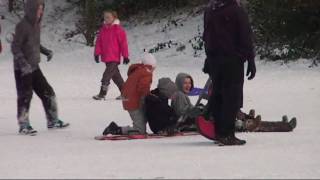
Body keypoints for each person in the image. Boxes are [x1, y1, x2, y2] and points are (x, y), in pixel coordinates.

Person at [11, 0, 69, 135]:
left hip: (34, 66)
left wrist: (46, 51)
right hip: (22, 69)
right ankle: (24, 125)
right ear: (31, 9)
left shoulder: (36, 25)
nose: (41, 12)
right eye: (38, 9)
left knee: (48, 92)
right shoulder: (22, 26)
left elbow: (34, 44)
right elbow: (15, 47)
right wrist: (23, 64)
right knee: (25, 96)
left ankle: (53, 120)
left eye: (42, 9)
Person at [203, 0, 256, 145]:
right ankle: (226, 134)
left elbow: (206, 36)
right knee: (231, 97)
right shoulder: (236, 10)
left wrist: (209, 58)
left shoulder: (210, 10)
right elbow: (245, 34)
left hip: (215, 59)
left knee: (218, 95)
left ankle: (220, 132)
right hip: (231, 59)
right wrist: (250, 59)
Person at [102, 53, 156, 135]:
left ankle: (135, 128)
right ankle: (115, 129)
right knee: (140, 130)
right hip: (133, 102)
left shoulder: (138, 70)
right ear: (152, 65)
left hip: (128, 99)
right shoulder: (146, 72)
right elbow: (143, 88)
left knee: (142, 119)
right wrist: (150, 96)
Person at [93, 10, 130, 100]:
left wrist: (125, 56)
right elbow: (99, 43)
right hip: (106, 58)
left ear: (114, 18)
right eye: (105, 17)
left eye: (108, 17)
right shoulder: (103, 30)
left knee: (106, 75)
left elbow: (123, 44)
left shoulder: (119, 30)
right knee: (116, 77)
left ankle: (102, 93)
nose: (106, 19)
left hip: (114, 58)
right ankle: (125, 93)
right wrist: (97, 53)